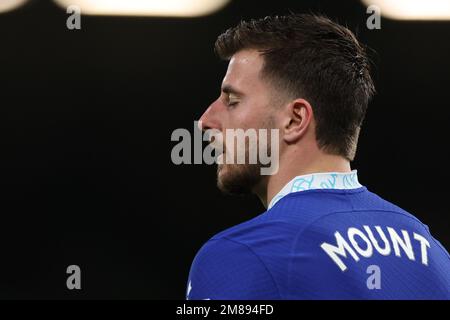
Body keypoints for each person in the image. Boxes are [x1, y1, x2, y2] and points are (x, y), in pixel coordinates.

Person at [186, 13, 450, 299]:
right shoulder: (435, 256)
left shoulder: (240, 255)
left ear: (295, 119)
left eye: (233, 101)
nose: (206, 120)